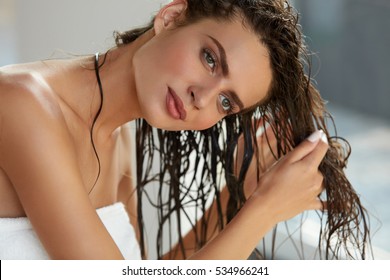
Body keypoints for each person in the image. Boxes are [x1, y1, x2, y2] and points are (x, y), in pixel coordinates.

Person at [0, 0, 370, 260]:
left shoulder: (119, 142)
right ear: (172, 16)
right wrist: (265, 210)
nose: (202, 98)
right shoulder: (22, 105)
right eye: (210, 59)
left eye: (226, 103)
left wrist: (238, 195)